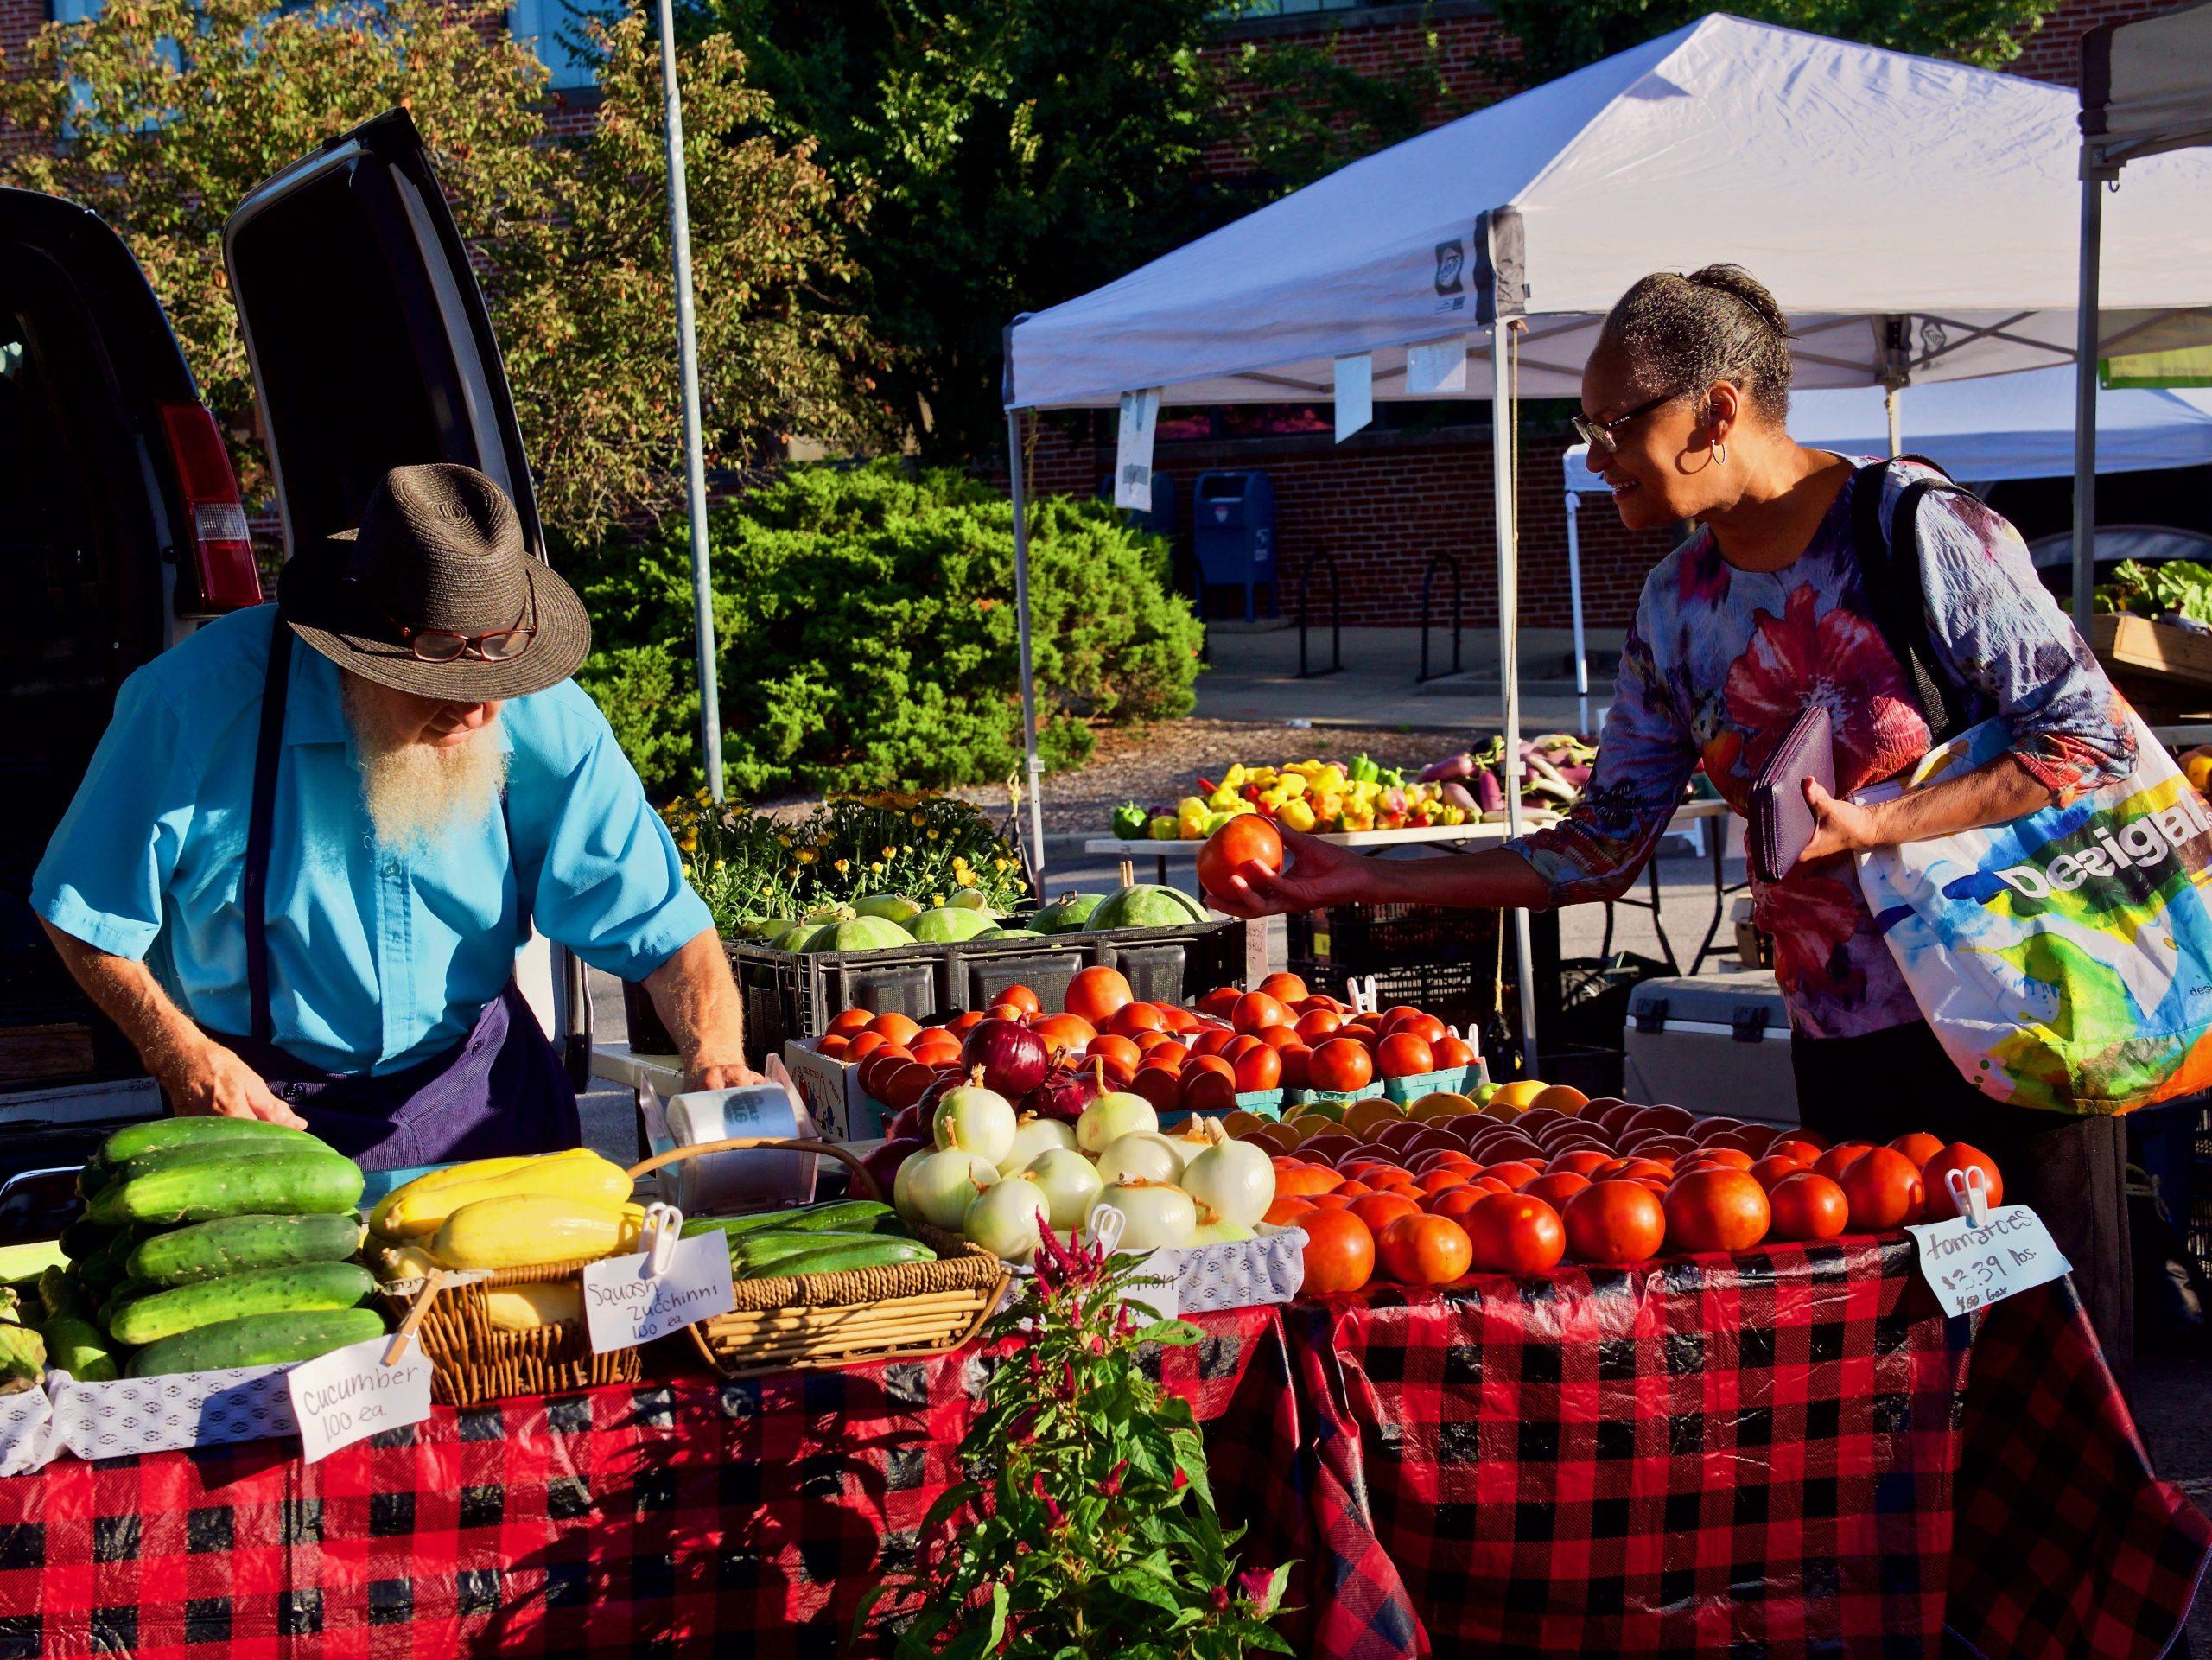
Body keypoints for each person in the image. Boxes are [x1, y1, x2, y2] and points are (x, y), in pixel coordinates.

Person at [1214, 266, 2140, 1375]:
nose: (1594, 456)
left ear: (1715, 410)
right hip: (1843, 1049)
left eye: (1612, 426)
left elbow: (2087, 735)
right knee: (1889, 1385)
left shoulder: (1919, 531)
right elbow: (1598, 845)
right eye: (1584, 427)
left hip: (2017, 1021)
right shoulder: (1678, 604)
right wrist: (1365, 878)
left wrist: (1880, 823)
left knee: (2042, 1371)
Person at [33, 463, 761, 1170]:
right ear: (357, 647)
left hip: (481, 1101)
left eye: (498, 667)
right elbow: (83, 914)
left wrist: (717, 1060)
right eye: (439, 666)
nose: (477, 708)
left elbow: (663, 930)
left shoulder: (543, 715)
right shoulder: (194, 706)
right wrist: (181, 1055)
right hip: (259, 1113)